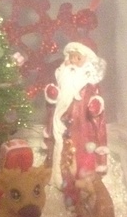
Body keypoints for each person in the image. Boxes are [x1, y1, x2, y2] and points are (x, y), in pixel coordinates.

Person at [43, 41, 109, 205]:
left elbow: (97, 99)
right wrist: (52, 94)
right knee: (60, 147)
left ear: (87, 62)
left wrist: (95, 105)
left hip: (80, 124)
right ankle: (58, 174)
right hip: (61, 121)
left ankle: (78, 178)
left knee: (79, 150)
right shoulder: (63, 75)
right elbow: (56, 97)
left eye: (78, 58)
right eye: (71, 57)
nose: (72, 61)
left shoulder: (89, 82)